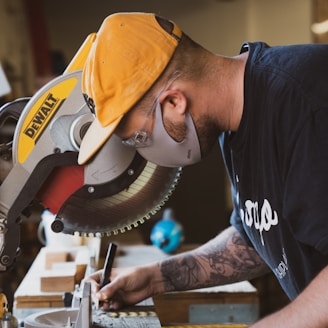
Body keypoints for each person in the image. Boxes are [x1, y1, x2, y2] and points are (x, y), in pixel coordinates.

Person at [79, 12, 328, 327]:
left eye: (138, 138)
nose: (143, 151)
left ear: (174, 102)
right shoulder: (234, 123)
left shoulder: (307, 104)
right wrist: (154, 279)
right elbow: (255, 239)